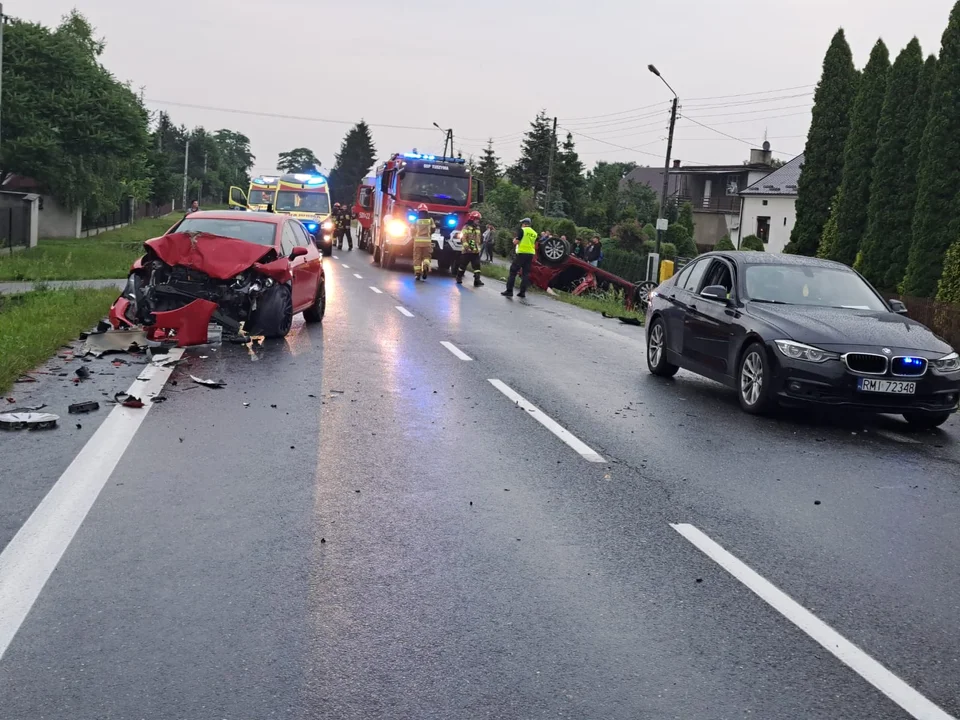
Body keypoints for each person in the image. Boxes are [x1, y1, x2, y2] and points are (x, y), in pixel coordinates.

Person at [502, 218, 537, 298]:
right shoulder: (534, 233)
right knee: (526, 274)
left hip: (522, 254)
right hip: (530, 254)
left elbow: (516, 242)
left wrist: (514, 239)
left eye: (522, 224)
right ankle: (522, 292)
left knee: (513, 271)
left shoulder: (523, 230)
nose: (521, 225)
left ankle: (509, 291)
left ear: (524, 224)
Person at [457, 211, 485, 287]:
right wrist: (467, 247)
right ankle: (459, 277)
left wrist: (478, 246)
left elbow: (479, 238)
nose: (478, 221)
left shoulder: (478, 228)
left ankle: (477, 280)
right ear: (472, 219)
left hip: (475, 251)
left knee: (477, 266)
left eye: (478, 219)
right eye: (477, 219)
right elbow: (463, 238)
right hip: (467, 251)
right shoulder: (466, 227)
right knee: (463, 266)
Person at [412, 204, 435, 281]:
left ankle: (417, 274)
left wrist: (414, 237)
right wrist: (429, 235)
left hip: (417, 242)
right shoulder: (430, 219)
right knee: (427, 257)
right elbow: (433, 229)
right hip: (427, 242)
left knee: (417, 257)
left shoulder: (416, 220)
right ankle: (425, 267)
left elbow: (412, 230)